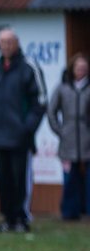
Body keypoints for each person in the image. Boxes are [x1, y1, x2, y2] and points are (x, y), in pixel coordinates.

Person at [0, 28, 45, 232]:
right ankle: (7, 219)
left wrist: (27, 129)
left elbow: (40, 101)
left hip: (19, 138)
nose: (6, 46)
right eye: (2, 42)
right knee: (3, 179)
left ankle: (21, 219)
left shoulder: (28, 68)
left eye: (9, 42)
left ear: (16, 43)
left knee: (19, 179)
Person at [48, 52, 90, 221]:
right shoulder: (62, 88)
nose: (81, 70)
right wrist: (61, 131)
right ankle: (69, 211)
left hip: (87, 139)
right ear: (72, 69)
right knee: (70, 178)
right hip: (69, 140)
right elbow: (51, 111)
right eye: (78, 67)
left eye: (84, 68)